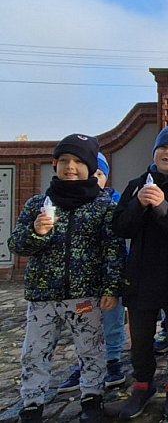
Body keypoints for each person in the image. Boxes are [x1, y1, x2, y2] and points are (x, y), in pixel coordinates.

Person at [9, 134, 126, 423]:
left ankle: (92, 397)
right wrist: (37, 231)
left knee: (91, 349)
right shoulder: (39, 204)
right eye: (64, 161)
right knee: (35, 352)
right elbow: (17, 244)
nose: (70, 167)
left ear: (89, 167)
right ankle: (32, 403)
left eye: (78, 162)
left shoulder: (103, 207)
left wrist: (111, 287)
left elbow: (112, 251)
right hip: (43, 297)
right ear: (54, 165)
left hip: (85, 295)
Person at [112, 122, 168, 419]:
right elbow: (119, 226)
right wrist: (138, 204)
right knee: (140, 336)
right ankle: (142, 383)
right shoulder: (137, 184)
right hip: (140, 275)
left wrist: (162, 207)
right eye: (163, 146)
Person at [57, 152, 127, 394]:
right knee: (84, 324)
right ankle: (85, 364)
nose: (96, 178)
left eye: (100, 174)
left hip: (108, 274)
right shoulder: (68, 203)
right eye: (92, 172)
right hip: (82, 280)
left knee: (112, 319)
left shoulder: (114, 203)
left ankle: (114, 359)